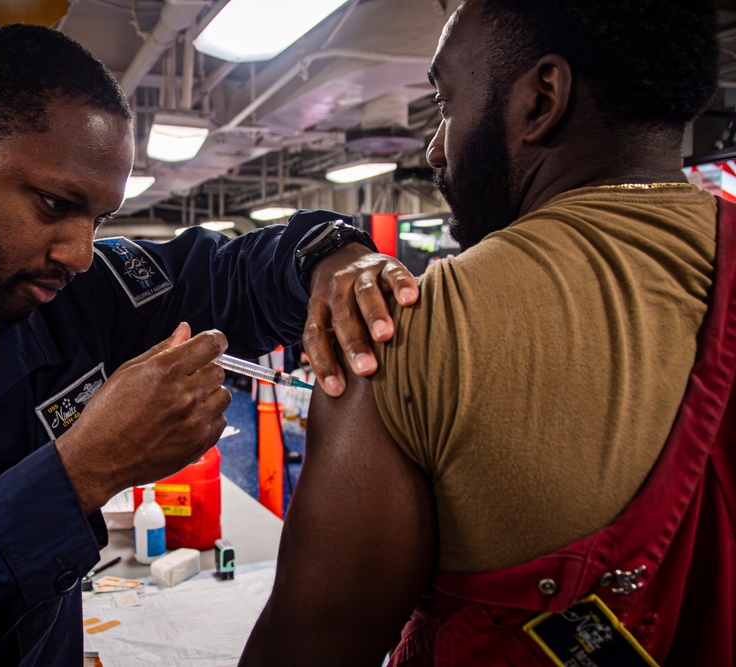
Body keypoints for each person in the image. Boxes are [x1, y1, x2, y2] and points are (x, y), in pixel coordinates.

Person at [0, 24, 420, 666]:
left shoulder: (83, 296)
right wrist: (80, 473)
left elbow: (241, 271)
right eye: (55, 205)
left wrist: (334, 255)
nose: (79, 252)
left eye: (99, 217)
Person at [241, 1, 732, 665]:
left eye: (446, 104)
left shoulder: (409, 325)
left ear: (541, 99)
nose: (437, 146)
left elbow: (309, 651)